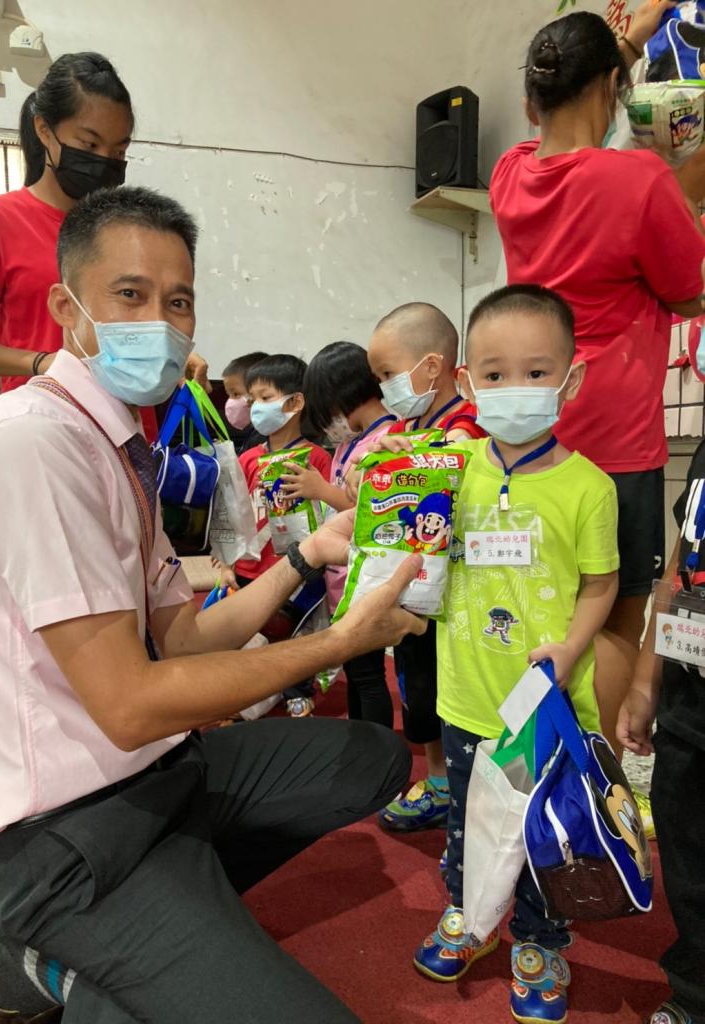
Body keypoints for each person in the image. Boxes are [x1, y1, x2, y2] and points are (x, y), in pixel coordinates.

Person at [0, 185, 425, 1024]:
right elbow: (130, 705)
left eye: (178, 302)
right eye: (129, 295)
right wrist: (339, 641)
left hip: (158, 773)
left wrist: (308, 554)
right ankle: (54, 957)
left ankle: (170, 924)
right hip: (65, 835)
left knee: (371, 760)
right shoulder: (34, 444)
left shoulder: (119, 445)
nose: (159, 325)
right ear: (66, 308)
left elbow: (189, 638)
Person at [489, 6, 705, 788]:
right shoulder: (639, 180)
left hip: (535, 437)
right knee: (614, 615)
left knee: (546, 603)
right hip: (615, 439)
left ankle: (537, 770)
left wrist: (627, 41)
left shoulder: (510, 176)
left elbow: (566, 126)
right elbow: (690, 291)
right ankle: (603, 785)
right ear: (614, 87)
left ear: (530, 101)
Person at [413, 285, 619, 1024]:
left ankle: (539, 941)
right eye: (495, 374)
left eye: (537, 372)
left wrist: (570, 648)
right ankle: (469, 916)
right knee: (466, 825)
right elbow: (400, 527)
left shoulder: (589, 488)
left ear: (572, 378)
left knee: (537, 834)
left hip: (542, 708)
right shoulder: (450, 468)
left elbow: (601, 584)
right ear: (466, 382)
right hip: (465, 695)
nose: (515, 388)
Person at [0, 52, 208, 440]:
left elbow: (141, 310)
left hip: (127, 428)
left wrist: (164, 351)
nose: (104, 162)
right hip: (44, 423)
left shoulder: (125, 229)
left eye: (118, 151)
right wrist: (41, 362)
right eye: (89, 144)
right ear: (44, 130)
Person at [366, 302, 486, 832]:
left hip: (458, 590)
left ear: (432, 366)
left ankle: (469, 786)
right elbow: (362, 483)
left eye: (387, 374)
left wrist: (408, 456)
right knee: (418, 687)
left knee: (457, 689)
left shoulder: (467, 422)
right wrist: (376, 458)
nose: (384, 388)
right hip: (412, 585)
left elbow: (457, 462)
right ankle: (438, 781)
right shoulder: (401, 425)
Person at [617, 320, 705, 1024]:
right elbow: (680, 566)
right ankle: (696, 990)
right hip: (689, 702)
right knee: (688, 856)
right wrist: (646, 681)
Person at [285, 340, 396, 728]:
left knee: (367, 673)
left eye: (326, 411)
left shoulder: (388, 438)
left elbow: (376, 509)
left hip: (365, 576)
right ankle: (360, 738)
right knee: (355, 668)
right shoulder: (351, 442)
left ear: (341, 395)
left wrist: (321, 490)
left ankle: (376, 745)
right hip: (343, 573)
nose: (327, 423)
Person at [226, 353, 333, 717]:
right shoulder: (248, 459)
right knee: (248, 634)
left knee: (296, 636)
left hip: (296, 568)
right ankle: (245, 696)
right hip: (250, 567)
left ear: (295, 402)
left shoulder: (316, 459)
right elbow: (233, 515)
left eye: (266, 397)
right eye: (252, 399)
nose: (256, 407)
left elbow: (330, 514)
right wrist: (226, 562)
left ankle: (297, 695)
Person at [221, 350, 268, 453]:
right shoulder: (255, 432)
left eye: (236, 394)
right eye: (229, 395)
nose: (230, 402)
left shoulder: (264, 437)